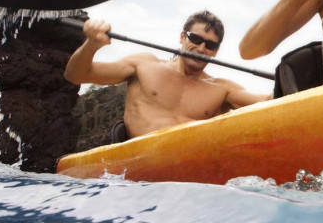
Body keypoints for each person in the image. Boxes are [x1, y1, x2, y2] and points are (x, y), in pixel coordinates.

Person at [65, 10, 271, 139]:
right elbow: (76, 75)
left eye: (209, 45)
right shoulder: (143, 65)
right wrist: (91, 45)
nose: (201, 48)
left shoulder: (223, 89)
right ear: (182, 36)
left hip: (190, 176)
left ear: (216, 51)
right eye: (195, 39)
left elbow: (269, 101)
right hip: (135, 175)